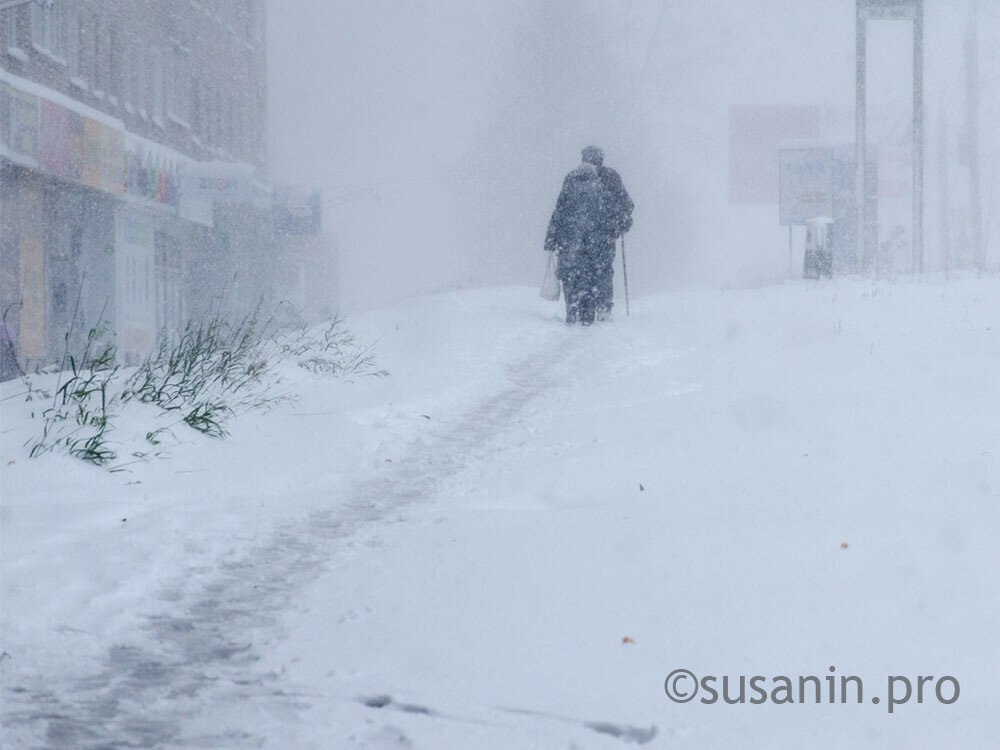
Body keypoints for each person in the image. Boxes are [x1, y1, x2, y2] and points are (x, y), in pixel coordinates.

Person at [544, 146, 633, 325]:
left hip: (571, 238)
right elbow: (626, 206)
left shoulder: (571, 178)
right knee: (601, 272)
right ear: (601, 159)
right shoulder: (610, 177)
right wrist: (617, 229)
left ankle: (573, 307)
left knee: (573, 273)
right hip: (601, 238)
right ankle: (601, 308)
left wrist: (551, 238)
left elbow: (560, 210)